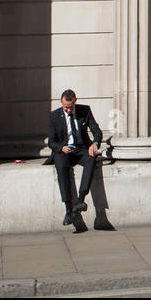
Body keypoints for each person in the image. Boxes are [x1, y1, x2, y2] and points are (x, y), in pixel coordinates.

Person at [47, 89, 102, 228]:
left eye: (71, 107)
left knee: (91, 158)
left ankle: (80, 200)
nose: (68, 110)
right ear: (61, 103)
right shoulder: (54, 116)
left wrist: (94, 144)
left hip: (82, 148)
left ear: (75, 101)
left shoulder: (85, 111)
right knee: (61, 166)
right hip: (65, 150)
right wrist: (61, 148)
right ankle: (68, 209)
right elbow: (51, 142)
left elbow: (97, 131)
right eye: (65, 107)